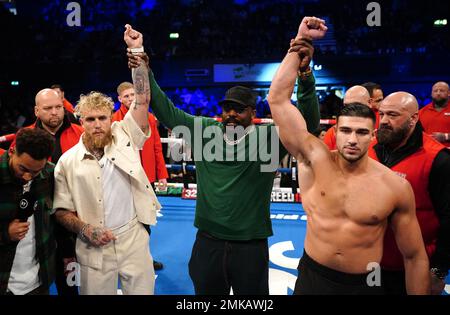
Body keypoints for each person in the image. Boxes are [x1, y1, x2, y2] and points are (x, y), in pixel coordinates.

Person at [126, 19, 322, 295]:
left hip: (250, 244)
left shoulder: (270, 138)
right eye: (227, 108)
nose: (231, 114)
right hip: (208, 242)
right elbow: (164, 109)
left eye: (239, 110)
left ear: (252, 113)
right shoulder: (204, 130)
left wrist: (305, 77)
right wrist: (140, 59)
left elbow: (309, 126)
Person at [267, 19, 430, 294]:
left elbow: (414, 257)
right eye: (345, 131)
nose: (352, 139)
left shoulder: (395, 187)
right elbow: (278, 100)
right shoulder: (313, 159)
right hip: (312, 277)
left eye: (361, 132)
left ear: (373, 134)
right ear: (336, 131)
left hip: (363, 284)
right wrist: (299, 43)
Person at [53, 25, 161, 295]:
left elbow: (142, 99)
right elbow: (61, 211)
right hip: (92, 245)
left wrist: (136, 50)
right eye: (91, 119)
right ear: (82, 121)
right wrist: (85, 229)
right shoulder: (68, 161)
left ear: (111, 118)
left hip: (133, 238)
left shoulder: (125, 134)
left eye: (103, 118)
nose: (98, 124)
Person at [369, 92, 450, 295]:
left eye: (393, 115)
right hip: (370, 263)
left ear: (413, 118)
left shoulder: (438, 160)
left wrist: (438, 271)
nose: (384, 121)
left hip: (414, 267)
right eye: (382, 114)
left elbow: (449, 220)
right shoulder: (369, 149)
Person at [113, 81, 168, 271]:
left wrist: (162, 175)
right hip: (122, 177)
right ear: (119, 99)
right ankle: (121, 259)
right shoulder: (114, 121)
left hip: (146, 177)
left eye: (132, 95)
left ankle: (144, 258)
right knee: (123, 219)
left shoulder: (150, 118)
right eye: (126, 96)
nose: (130, 99)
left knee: (146, 219)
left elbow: (156, 147)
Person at [0, 128, 56, 295]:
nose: (27, 176)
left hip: (38, 281)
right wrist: (5, 233)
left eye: (35, 171)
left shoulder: (50, 175)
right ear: (11, 151)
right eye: (23, 168)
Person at [323, 85, 370, 150]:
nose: (351, 110)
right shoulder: (333, 132)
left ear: (369, 103)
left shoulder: (382, 124)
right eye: (346, 105)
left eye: (356, 105)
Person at [419, 81, 450, 145]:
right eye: (435, 91)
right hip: (429, 152)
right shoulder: (421, 112)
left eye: (442, 91)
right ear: (431, 94)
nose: (438, 93)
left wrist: (446, 136)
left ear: (449, 93)